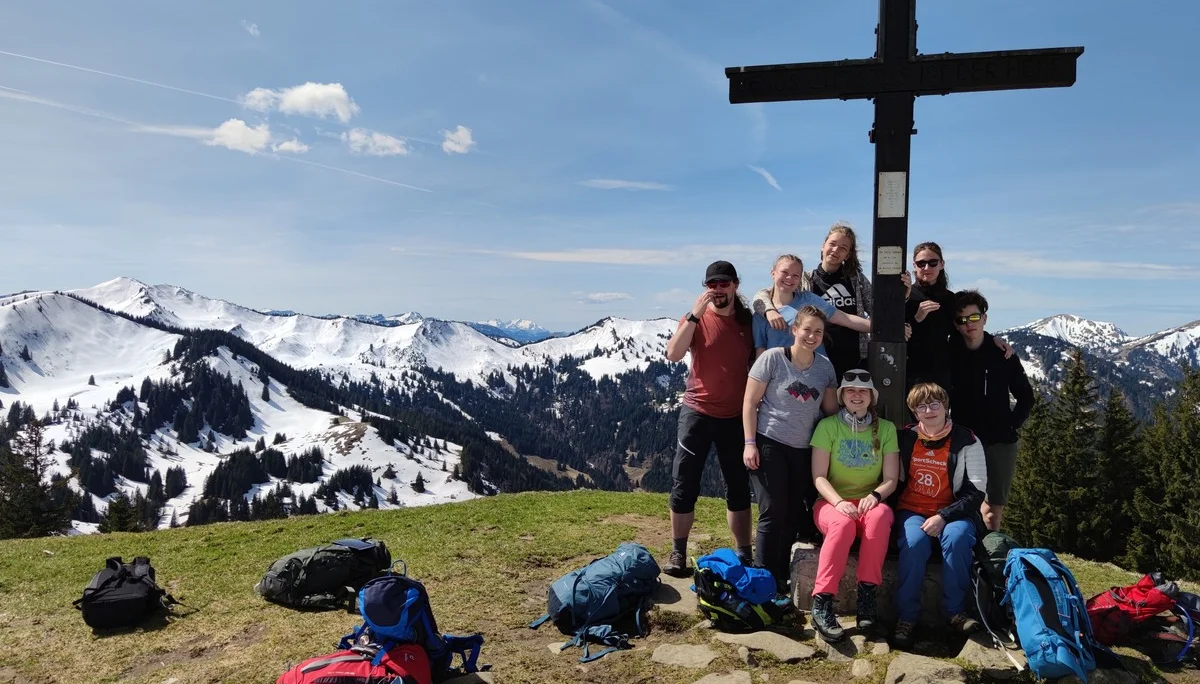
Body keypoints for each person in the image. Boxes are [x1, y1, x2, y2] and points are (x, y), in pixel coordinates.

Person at [663, 260, 755, 578]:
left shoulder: (748, 322)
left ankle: (744, 553)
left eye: (723, 283)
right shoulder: (696, 319)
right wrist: (693, 315)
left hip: (735, 416)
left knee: (738, 487)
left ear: (735, 285)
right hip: (697, 413)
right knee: (684, 483)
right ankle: (678, 551)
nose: (717, 290)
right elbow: (673, 354)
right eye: (711, 284)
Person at [742, 306, 839, 594]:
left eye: (818, 332)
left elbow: (831, 410)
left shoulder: (825, 368)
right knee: (772, 510)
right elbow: (750, 402)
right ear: (794, 330)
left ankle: (782, 575)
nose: (812, 336)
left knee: (793, 512)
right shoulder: (773, 358)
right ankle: (763, 577)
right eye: (807, 329)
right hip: (769, 442)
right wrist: (749, 443)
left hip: (804, 449)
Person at [892, 382, 988, 648]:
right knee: (914, 543)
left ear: (945, 406)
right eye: (921, 406)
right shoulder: (905, 438)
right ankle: (907, 616)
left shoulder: (967, 440)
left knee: (957, 539)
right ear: (914, 413)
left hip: (955, 513)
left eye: (935, 403)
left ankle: (955, 612)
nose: (929, 410)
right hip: (912, 509)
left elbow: (977, 491)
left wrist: (944, 516)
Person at [808, 370, 900, 642]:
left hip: (869, 501)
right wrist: (838, 502)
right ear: (842, 396)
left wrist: (876, 496)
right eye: (850, 390)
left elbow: (891, 478)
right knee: (842, 524)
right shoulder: (827, 427)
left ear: (871, 397)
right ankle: (822, 602)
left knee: (881, 517)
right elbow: (819, 476)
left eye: (863, 391)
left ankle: (867, 598)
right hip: (831, 502)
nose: (856, 395)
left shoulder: (886, 429)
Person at [948, 290, 1034, 532]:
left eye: (974, 317)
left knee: (992, 512)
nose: (969, 324)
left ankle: (988, 553)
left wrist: (1010, 425)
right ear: (955, 325)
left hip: (999, 442)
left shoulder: (1002, 355)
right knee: (961, 504)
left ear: (984, 318)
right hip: (964, 440)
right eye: (962, 320)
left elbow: (1026, 397)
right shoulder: (950, 354)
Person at [904, 242, 1011, 399]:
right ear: (914, 266)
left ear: (941, 264)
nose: (927, 268)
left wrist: (991, 339)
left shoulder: (950, 299)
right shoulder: (907, 296)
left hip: (942, 373)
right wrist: (917, 319)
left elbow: (965, 327)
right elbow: (896, 333)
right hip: (910, 373)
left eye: (933, 262)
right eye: (921, 263)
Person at [751, 254, 871, 358]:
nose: (789, 278)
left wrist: (879, 329)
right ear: (773, 273)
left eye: (796, 275)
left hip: (817, 373)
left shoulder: (808, 299)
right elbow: (761, 353)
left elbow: (844, 318)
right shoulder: (761, 314)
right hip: (780, 375)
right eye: (784, 272)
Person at [809, 222, 874, 379]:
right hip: (817, 358)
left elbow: (878, 309)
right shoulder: (806, 280)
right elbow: (767, 295)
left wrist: (890, 328)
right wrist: (768, 310)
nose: (835, 250)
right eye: (832, 244)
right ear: (823, 245)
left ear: (848, 255)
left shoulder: (856, 279)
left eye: (843, 248)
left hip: (855, 359)